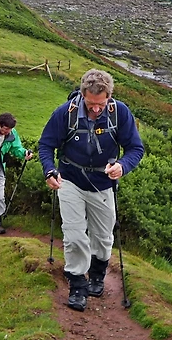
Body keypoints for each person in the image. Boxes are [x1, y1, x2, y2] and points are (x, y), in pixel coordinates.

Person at [39, 69, 145, 312]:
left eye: (101, 104)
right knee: (74, 235)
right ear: (82, 95)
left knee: (103, 236)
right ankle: (77, 284)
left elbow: (135, 149)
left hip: (103, 183)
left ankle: (97, 275)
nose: (96, 109)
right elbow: (46, 145)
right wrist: (49, 171)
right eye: (90, 103)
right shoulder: (66, 113)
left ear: (109, 97)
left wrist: (122, 166)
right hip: (70, 180)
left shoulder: (119, 113)